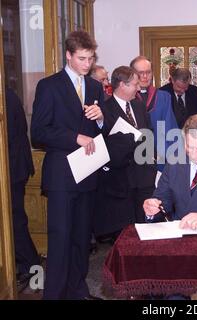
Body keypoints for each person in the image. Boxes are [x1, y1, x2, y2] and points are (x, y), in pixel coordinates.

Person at [31, 30, 104, 300]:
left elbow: (100, 131)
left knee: (82, 238)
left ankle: (77, 290)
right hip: (62, 175)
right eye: (82, 59)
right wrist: (74, 137)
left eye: (91, 58)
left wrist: (100, 120)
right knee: (60, 239)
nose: (88, 64)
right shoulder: (49, 86)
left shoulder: (96, 87)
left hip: (88, 172)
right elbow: (38, 132)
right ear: (68, 56)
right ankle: (55, 294)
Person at [94, 66, 156, 237]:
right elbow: (103, 141)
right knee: (125, 232)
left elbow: (148, 133)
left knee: (146, 228)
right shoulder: (104, 109)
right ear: (122, 85)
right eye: (135, 84)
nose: (138, 88)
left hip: (144, 176)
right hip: (120, 179)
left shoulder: (139, 105)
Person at [5, 88, 40, 288]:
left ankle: (31, 266)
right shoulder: (8, 94)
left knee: (15, 220)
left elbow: (7, 138)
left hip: (13, 169)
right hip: (13, 167)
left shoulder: (6, 97)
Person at [130, 56, 179, 172]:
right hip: (133, 159)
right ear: (132, 73)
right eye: (141, 73)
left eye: (148, 72)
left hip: (159, 158)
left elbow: (169, 129)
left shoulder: (163, 97)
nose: (145, 76)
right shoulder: (127, 98)